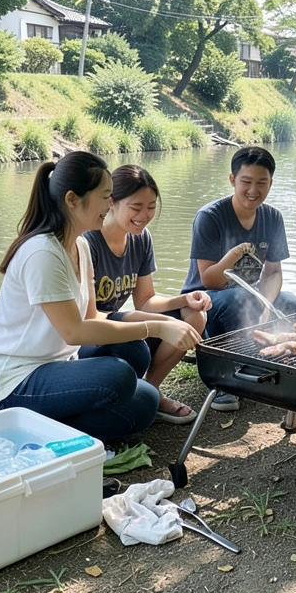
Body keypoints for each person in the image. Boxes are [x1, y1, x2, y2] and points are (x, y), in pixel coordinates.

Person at [0, 151, 201, 441]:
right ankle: (23, 426)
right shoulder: (42, 252)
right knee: (117, 375)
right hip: (12, 383)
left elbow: (93, 316)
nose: (110, 205)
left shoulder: (80, 247)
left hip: (58, 368)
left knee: (145, 400)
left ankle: (48, 430)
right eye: (105, 196)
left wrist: (164, 317)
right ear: (72, 199)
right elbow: (74, 331)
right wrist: (157, 327)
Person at [83, 164, 211, 425]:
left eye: (151, 207)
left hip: (120, 324)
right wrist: (157, 325)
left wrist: (184, 300)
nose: (144, 215)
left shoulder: (140, 238)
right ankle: (142, 396)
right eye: (136, 207)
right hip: (89, 337)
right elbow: (90, 316)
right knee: (143, 341)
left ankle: (150, 391)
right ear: (112, 202)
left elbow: (146, 300)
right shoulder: (88, 242)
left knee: (194, 316)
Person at [182, 146, 296, 411]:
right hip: (204, 301)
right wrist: (233, 256)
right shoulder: (210, 217)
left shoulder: (272, 217)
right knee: (237, 300)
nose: (253, 190)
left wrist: (266, 307)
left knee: (291, 304)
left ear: (271, 182)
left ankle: (279, 370)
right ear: (232, 180)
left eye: (262, 183)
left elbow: (272, 272)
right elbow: (210, 279)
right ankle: (224, 379)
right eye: (246, 182)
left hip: (250, 295)